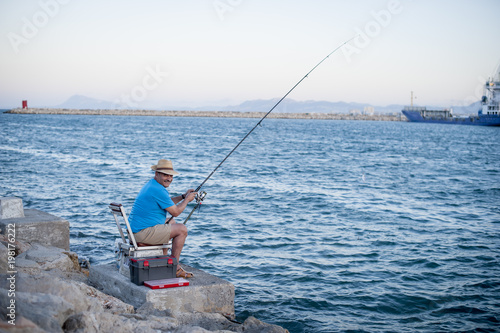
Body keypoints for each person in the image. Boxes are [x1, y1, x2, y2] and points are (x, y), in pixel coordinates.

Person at [128, 159, 197, 278]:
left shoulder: (152, 185)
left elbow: (168, 203)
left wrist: (182, 196)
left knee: (172, 222)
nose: (169, 178)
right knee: (182, 229)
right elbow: (175, 212)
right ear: (157, 174)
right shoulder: (158, 190)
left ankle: (163, 259)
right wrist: (187, 200)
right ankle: (174, 267)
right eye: (165, 175)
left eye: (171, 176)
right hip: (141, 233)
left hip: (135, 230)